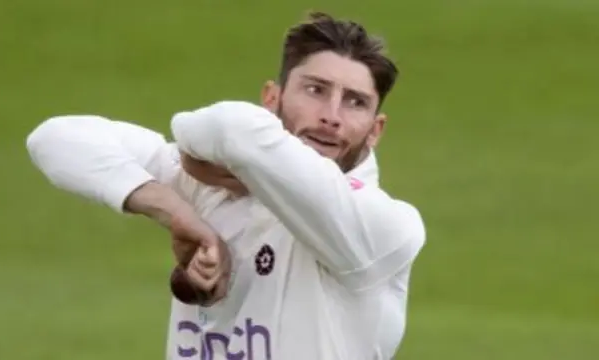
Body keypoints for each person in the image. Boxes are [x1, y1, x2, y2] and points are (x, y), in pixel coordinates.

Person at [26, 11, 426, 360]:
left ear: (375, 131)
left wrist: (189, 152)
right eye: (315, 90)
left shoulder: (381, 226)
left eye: (355, 101)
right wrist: (177, 213)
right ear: (272, 98)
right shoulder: (210, 184)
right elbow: (54, 139)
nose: (332, 116)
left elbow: (234, 128)